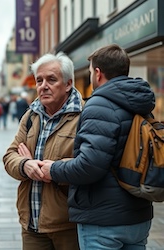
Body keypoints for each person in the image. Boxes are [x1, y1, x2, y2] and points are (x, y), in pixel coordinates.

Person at [41, 44, 155, 250]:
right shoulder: (142, 102)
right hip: (138, 216)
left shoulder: (99, 104)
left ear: (97, 73)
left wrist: (53, 169)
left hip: (103, 220)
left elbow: (90, 166)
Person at [3, 52, 82, 250]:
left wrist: (52, 170)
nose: (43, 85)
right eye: (39, 80)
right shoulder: (31, 116)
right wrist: (25, 165)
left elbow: (88, 165)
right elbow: (9, 156)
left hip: (68, 225)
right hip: (31, 224)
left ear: (68, 84)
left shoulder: (84, 116)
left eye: (51, 79)